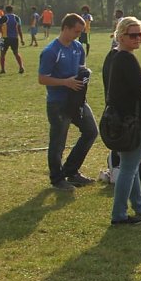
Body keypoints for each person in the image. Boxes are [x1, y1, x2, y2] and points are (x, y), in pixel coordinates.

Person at [37, 13, 97, 192]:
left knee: (91, 131)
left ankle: (71, 170)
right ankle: (57, 179)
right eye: (77, 31)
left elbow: (80, 68)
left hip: (77, 100)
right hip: (58, 103)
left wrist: (85, 74)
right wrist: (65, 82)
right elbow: (42, 79)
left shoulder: (78, 47)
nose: (79, 35)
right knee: (58, 142)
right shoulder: (51, 51)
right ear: (66, 28)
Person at [104, 16, 141, 225]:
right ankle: (119, 215)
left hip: (118, 120)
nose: (137, 39)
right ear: (121, 36)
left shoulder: (113, 56)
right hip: (131, 122)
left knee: (129, 165)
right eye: (133, 35)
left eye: (140, 34)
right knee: (128, 168)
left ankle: (139, 205)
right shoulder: (127, 59)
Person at [0, 5, 25, 74]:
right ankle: (21, 67)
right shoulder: (17, 18)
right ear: (12, 10)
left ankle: (3, 69)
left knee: (2, 54)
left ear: (6, 10)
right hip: (14, 38)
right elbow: (19, 29)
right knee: (16, 53)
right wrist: (21, 39)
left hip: (5, 38)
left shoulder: (3, 17)